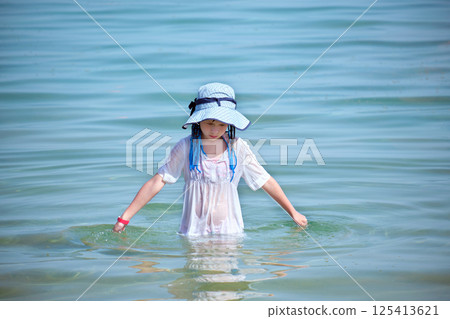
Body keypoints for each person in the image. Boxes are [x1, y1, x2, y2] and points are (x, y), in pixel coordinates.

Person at [113, 83, 307, 235]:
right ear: (198, 120)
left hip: (231, 233)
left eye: (222, 124)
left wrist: (292, 212)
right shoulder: (186, 146)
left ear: (229, 123)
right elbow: (158, 181)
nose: (215, 130)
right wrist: (125, 218)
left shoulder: (237, 147)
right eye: (209, 123)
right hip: (193, 233)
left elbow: (265, 181)